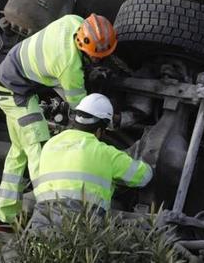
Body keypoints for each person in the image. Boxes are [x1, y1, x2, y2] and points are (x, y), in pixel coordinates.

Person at [0, 13, 118, 233]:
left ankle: (3, 215)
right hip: (16, 94)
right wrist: (111, 121)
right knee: (38, 148)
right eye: (94, 57)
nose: (97, 61)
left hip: (10, 80)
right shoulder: (69, 67)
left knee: (19, 152)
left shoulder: (73, 21)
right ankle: (49, 216)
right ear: (82, 43)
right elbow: (82, 109)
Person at [29, 93, 152, 228]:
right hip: (80, 220)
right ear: (100, 130)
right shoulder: (105, 153)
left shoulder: (50, 144)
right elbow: (144, 177)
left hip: (43, 216)